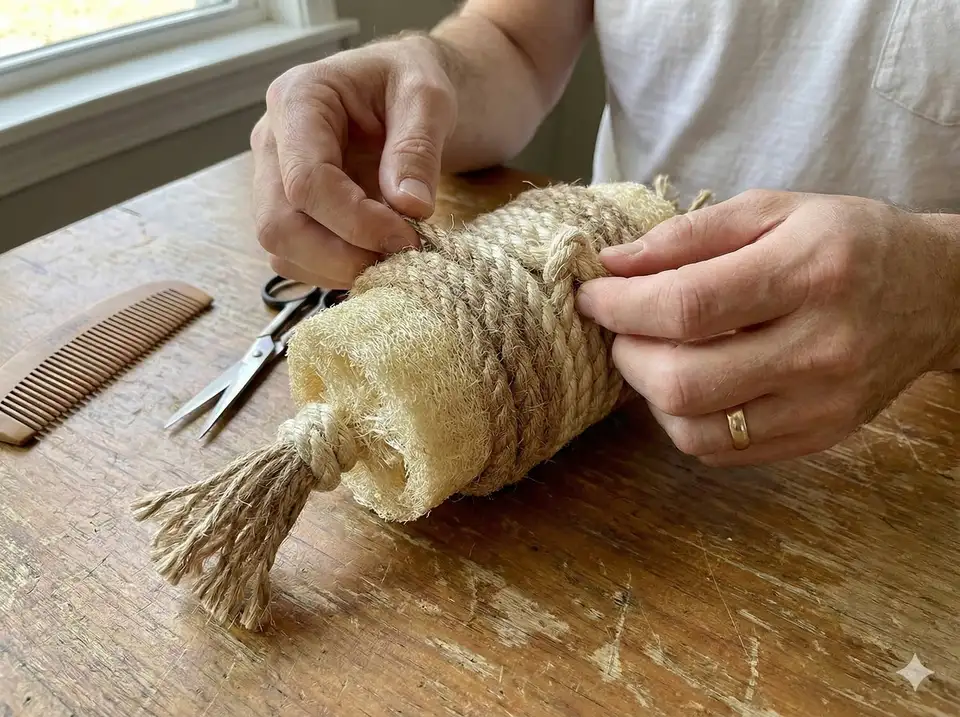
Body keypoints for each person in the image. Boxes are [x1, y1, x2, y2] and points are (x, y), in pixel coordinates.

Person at [249, 0, 960, 467]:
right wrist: (423, 78)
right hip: (601, 352)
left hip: (919, 421)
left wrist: (939, 293)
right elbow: (513, 39)